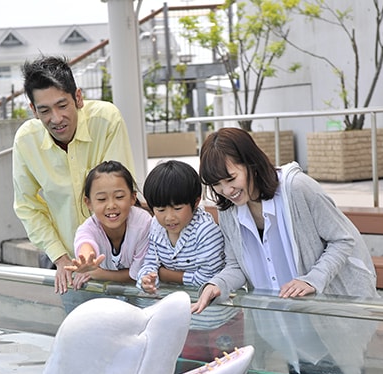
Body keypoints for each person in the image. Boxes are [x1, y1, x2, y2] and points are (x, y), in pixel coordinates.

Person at [191, 127, 379, 314]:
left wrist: (313, 279)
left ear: (251, 164)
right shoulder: (228, 210)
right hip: (279, 321)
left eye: (231, 179)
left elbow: (342, 239)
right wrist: (218, 284)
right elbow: (236, 265)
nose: (226, 191)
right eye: (216, 184)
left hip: (335, 315)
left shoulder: (298, 188)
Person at [12, 55, 135, 295]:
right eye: (44, 110)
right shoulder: (26, 140)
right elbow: (27, 206)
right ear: (33, 110)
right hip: (63, 260)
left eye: (62, 105)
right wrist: (60, 258)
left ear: (78, 98)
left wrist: (98, 263)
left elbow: (119, 193)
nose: (56, 119)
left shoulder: (107, 120)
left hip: (117, 258)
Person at [136, 160, 225, 294]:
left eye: (177, 208)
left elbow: (209, 278)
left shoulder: (206, 231)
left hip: (208, 309)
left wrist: (165, 275)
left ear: (195, 202)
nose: (169, 217)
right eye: (161, 210)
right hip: (173, 303)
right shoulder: (155, 225)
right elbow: (149, 262)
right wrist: (146, 279)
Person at [65, 160, 151, 290]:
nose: (111, 205)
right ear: (88, 203)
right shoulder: (87, 228)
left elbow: (139, 274)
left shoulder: (143, 223)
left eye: (119, 196)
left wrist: (100, 274)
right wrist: (88, 262)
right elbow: (85, 244)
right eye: (101, 199)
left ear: (133, 197)